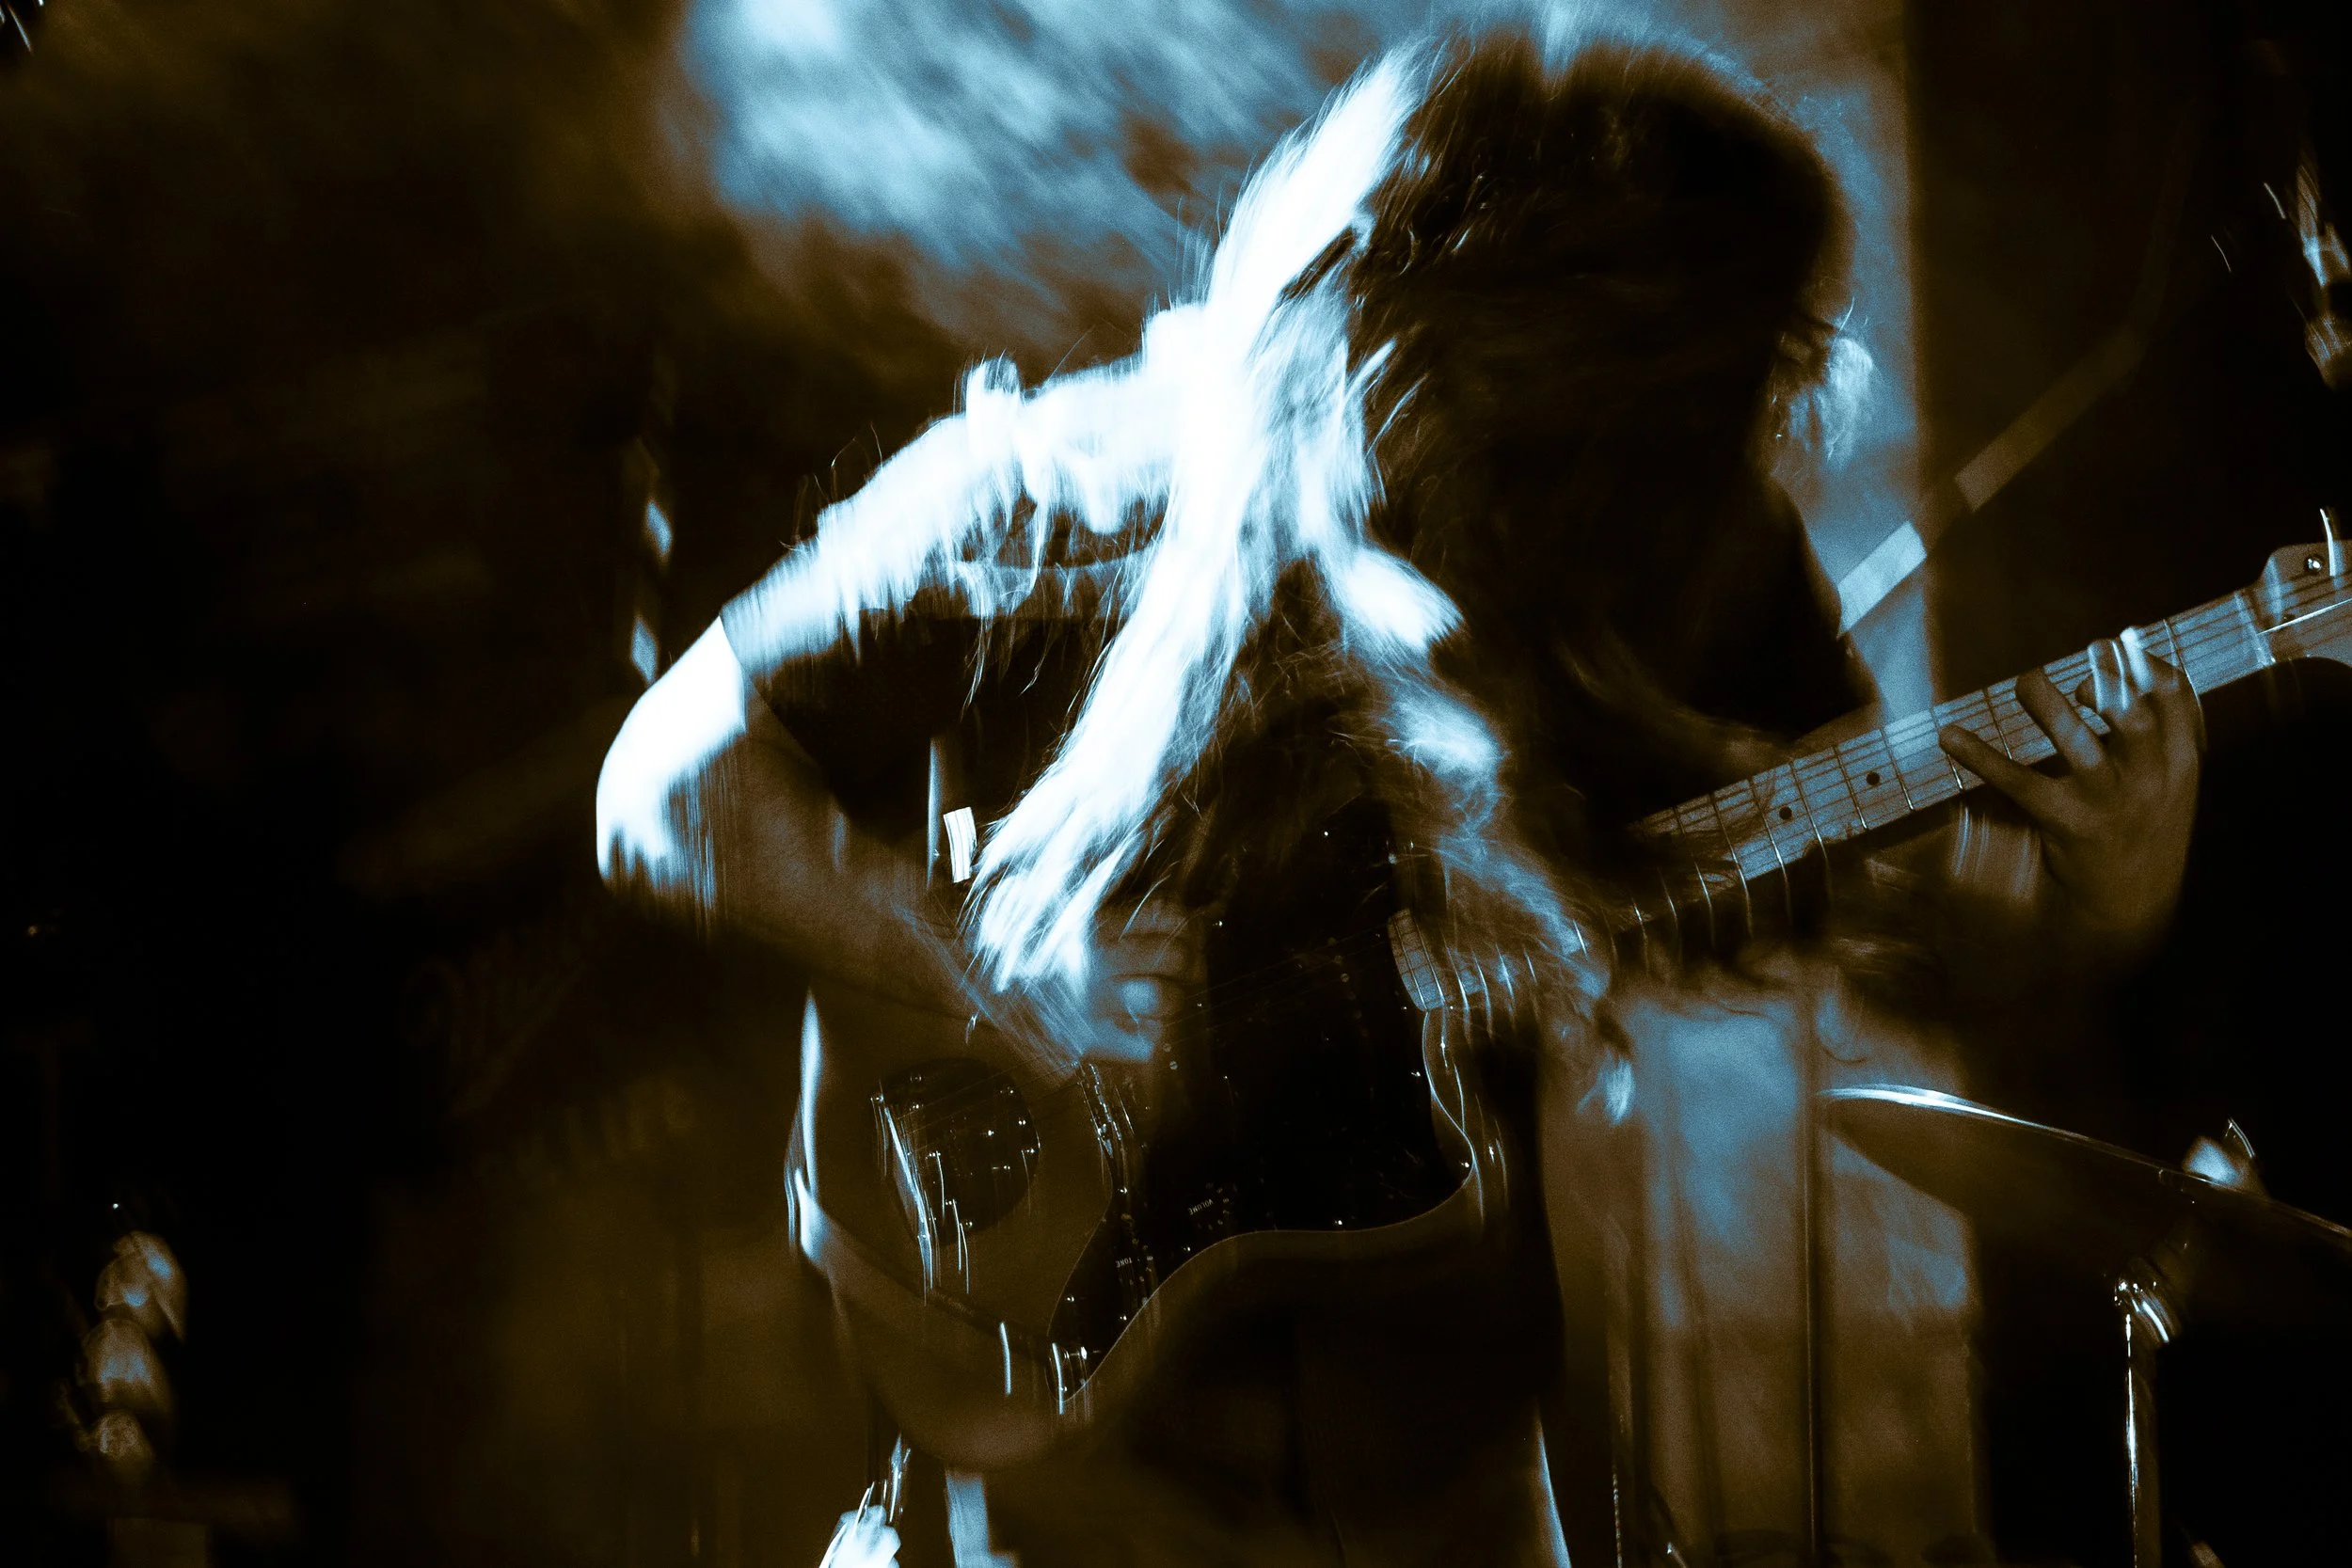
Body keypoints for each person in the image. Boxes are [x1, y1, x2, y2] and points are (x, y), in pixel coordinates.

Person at [598, 26, 2201, 1567]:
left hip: (1449, 1455)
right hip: (1062, 1462)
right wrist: (969, 954)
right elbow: (661, 778)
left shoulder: (1675, 523)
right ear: (1437, 396)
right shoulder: (1050, 505)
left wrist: (2102, 895)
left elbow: (1878, 926)